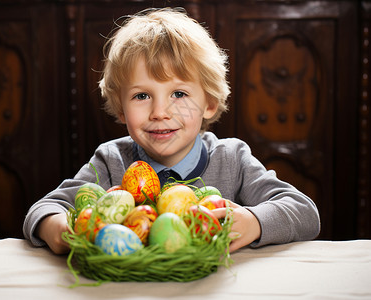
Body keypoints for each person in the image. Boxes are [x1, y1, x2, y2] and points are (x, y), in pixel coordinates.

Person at [23, 7, 320, 255]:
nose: (160, 112)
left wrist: (253, 220)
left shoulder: (232, 159)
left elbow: (304, 212)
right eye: (142, 96)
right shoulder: (112, 160)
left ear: (210, 104)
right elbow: (46, 208)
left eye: (179, 94)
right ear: (121, 106)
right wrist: (59, 230)